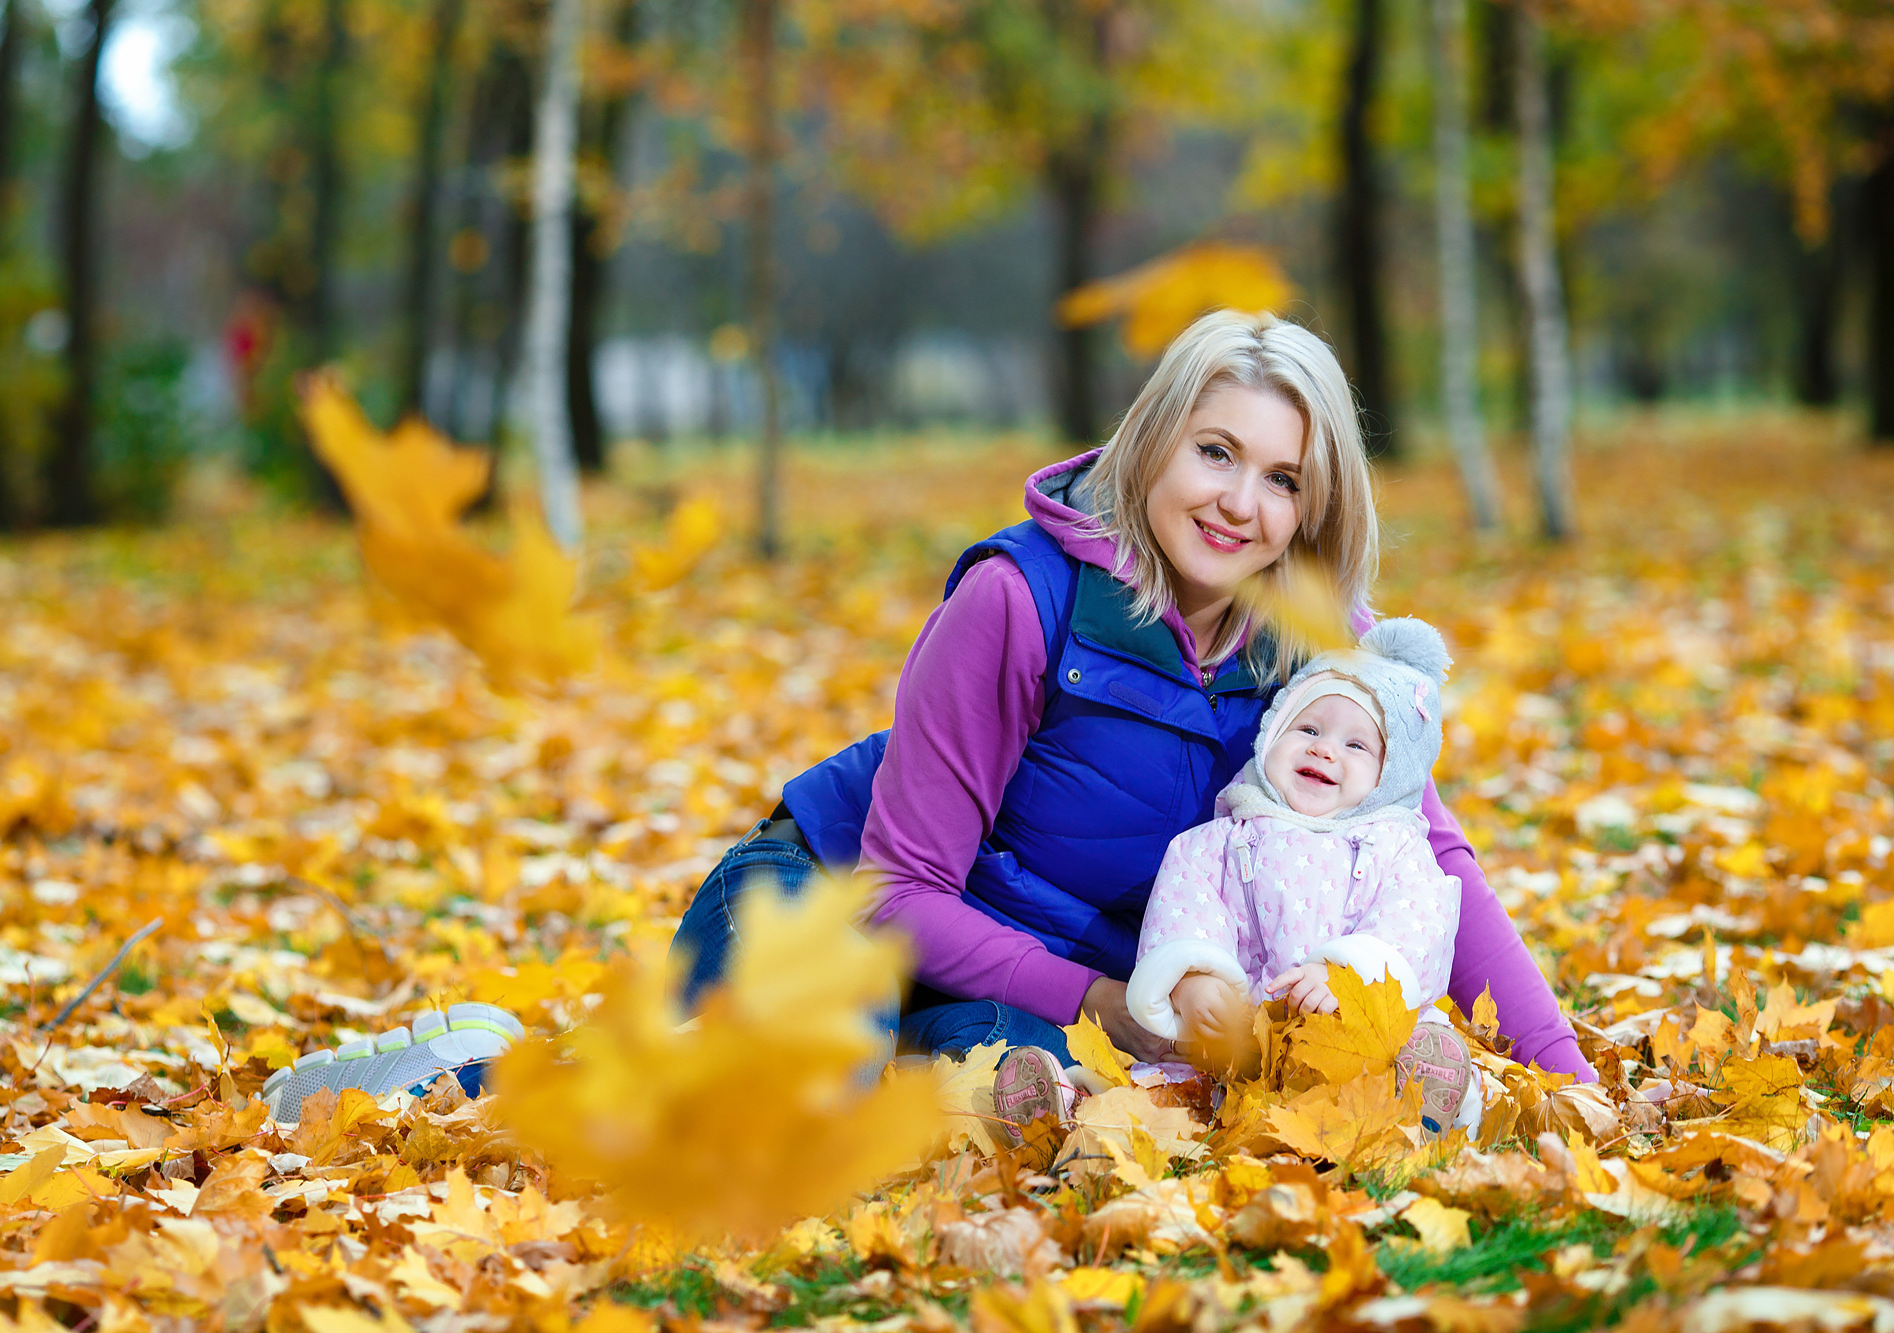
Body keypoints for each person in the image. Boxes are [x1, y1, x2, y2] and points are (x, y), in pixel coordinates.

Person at [670, 310, 1592, 1092]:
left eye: (1282, 480)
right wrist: (1101, 1001)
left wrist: (1567, 1084)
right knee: (816, 1082)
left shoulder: (1324, 646)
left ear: (1314, 509)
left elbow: (1428, 857)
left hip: (1026, 970)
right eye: (1217, 452)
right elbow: (896, 890)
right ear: (1155, 440)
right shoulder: (1018, 599)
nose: (1239, 502)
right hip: (829, 891)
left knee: (1028, 1112)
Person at [1120, 616, 1480, 1134]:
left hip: (1354, 1038)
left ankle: (1424, 1103)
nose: (1324, 749)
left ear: (1391, 774)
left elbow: (1417, 924)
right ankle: (1068, 1110)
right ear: (1271, 738)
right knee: (1165, 1090)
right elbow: (1185, 911)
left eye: (1357, 746)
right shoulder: (1217, 842)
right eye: (1307, 729)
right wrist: (1195, 981)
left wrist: (1349, 974)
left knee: (1406, 1048)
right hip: (1244, 1046)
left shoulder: (1399, 851)